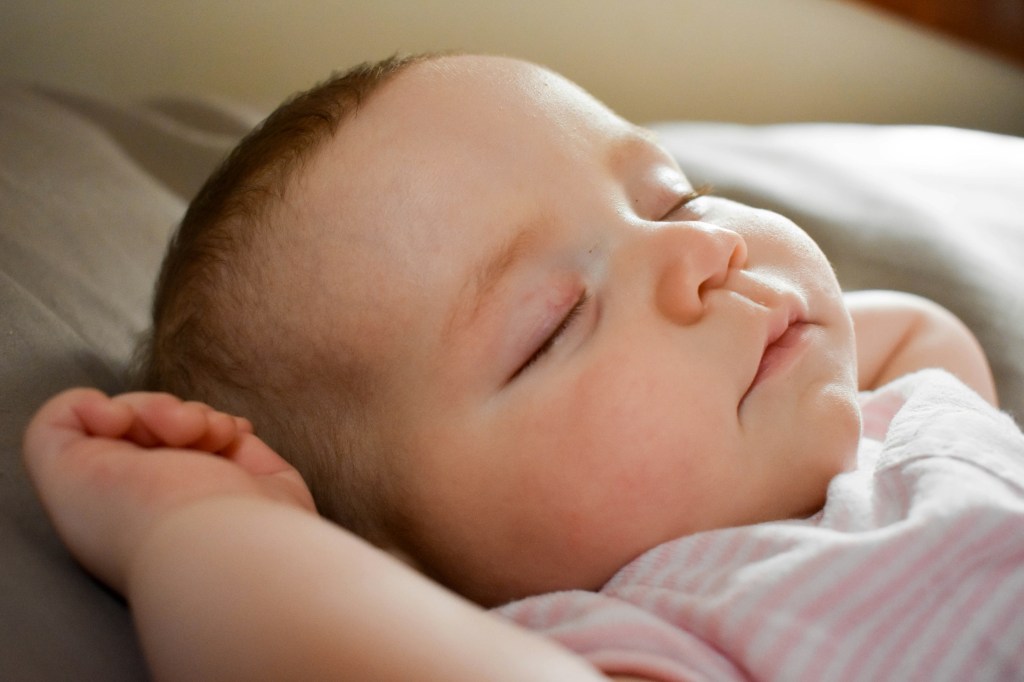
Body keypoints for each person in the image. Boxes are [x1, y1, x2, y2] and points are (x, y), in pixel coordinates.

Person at [22, 53, 1019, 681]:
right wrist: (199, 527)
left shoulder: (889, 422)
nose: (700, 253)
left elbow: (910, 337)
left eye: (673, 198)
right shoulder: (647, 634)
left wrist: (795, 337)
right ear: (396, 571)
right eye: (557, 321)